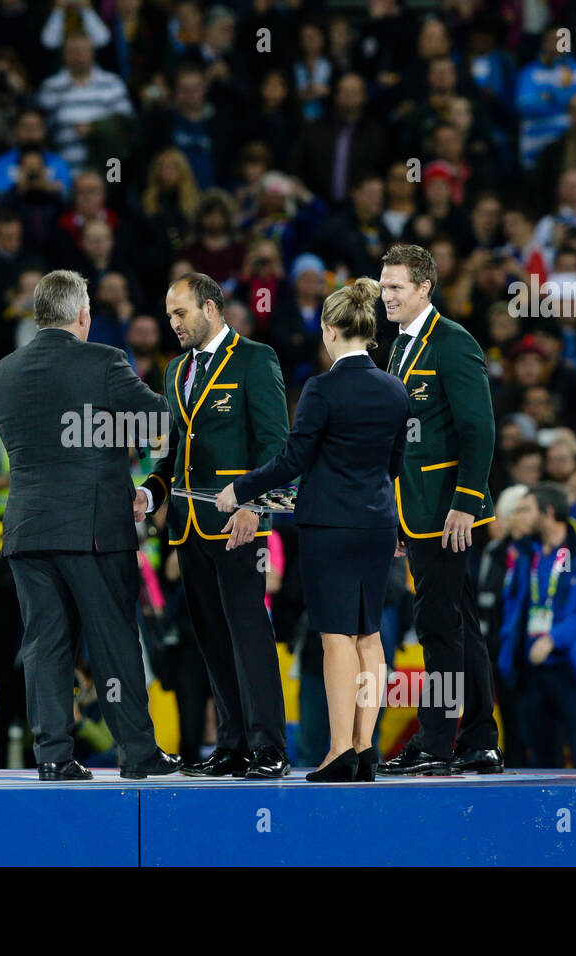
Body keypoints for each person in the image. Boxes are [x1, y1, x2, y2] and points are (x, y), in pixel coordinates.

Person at [0, 269, 180, 781]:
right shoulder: (104, 361)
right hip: (93, 530)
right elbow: (161, 422)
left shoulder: (2, 372)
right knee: (115, 640)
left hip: (27, 528)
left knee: (45, 645)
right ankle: (138, 755)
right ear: (82, 314)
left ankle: (52, 755)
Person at [214, 278, 409, 781]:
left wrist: (241, 489)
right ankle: (367, 747)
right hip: (379, 523)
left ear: (329, 329)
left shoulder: (322, 388)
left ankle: (339, 749)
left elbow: (293, 459)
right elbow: (394, 464)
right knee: (370, 637)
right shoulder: (395, 388)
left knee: (336, 638)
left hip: (331, 526)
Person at [137, 272, 291, 779]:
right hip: (186, 528)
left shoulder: (255, 359)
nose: (173, 324)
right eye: (168, 316)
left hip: (239, 523)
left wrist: (257, 505)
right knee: (211, 639)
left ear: (210, 306)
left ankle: (269, 746)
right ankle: (233, 746)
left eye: (180, 313)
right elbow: (171, 456)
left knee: (249, 634)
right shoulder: (174, 370)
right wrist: (148, 493)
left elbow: (274, 446)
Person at [377, 243, 502, 776]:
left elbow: (479, 429)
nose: (386, 297)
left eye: (396, 287)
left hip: (448, 511)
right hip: (417, 509)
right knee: (459, 623)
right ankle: (478, 739)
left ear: (425, 287)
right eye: (383, 287)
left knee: (437, 626)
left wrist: (465, 505)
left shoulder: (452, 342)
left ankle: (434, 740)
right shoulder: (400, 346)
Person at [498, 483, 576, 768]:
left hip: (568, 666)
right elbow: (510, 604)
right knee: (538, 751)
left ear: (547, 512)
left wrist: (554, 638)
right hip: (529, 667)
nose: (519, 515)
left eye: (526, 509)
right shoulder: (525, 553)